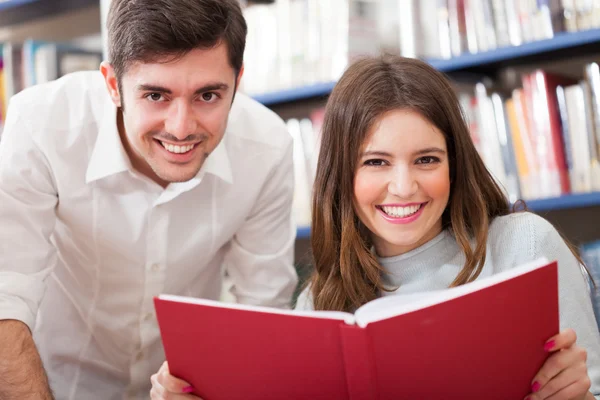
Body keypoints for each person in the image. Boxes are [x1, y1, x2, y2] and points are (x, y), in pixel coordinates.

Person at [152, 55, 600, 399]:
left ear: (455, 164)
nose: (403, 187)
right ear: (342, 178)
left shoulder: (525, 244)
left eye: (427, 160)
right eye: (375, 163)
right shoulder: (319, 302)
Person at [0, 0, 298, 399]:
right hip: (53, 385)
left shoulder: (267, 147)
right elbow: (6, 300)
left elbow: (263, 314)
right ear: (112, 85)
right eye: (156, 95)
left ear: (237, 82)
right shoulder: (41, 125)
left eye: (208, 95)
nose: (181, 128)